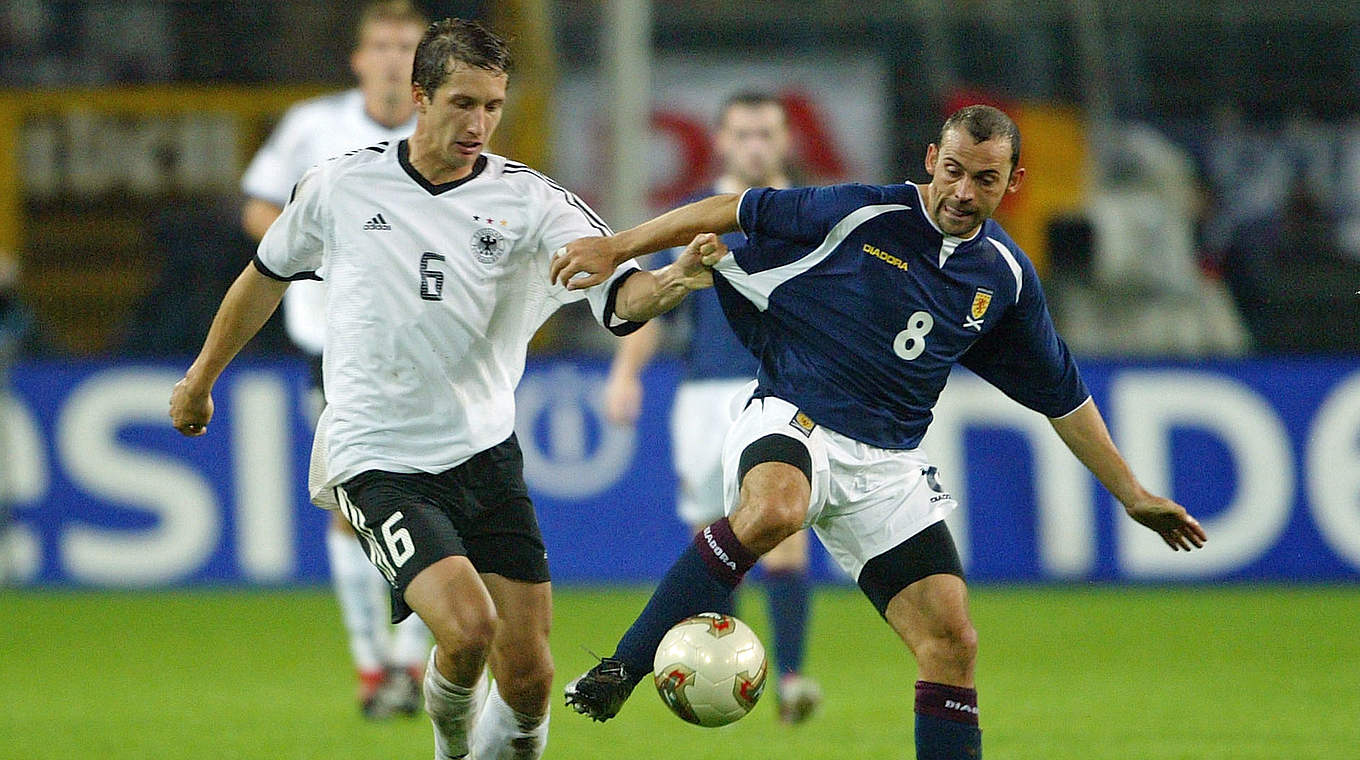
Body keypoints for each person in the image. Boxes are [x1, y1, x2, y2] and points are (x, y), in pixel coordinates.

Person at [552, 105, 1208, 759]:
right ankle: (624, 669)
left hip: (887, 462)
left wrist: (1131, 493)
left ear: (1011, 182)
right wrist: (616, 247)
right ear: (930, 160)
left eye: (984, 179)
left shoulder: (1004, 278)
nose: (962, 191)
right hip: (791, 413)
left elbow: (1063, 397)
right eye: (952, 170)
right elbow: (732, 207)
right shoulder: (863, 211)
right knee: (775, 508)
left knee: (952, 642)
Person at [170, 18, 719, 760]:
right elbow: (264, 279)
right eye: (464, 103)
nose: (480, 123)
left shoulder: (532, 204)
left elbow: (619, 297)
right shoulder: (342, 184)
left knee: (528, 679)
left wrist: (673, 282)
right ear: (420, 96)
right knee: (466, 627)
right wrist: (202, 378)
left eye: (493, 106)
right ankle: (451, 751)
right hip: (376, 455)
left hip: (484, 456)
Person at [601, 90, 821, 724]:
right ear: (722, 141)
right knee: (716, 541)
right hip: (704, 397)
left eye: (767, 134)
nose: (755, 145)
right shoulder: (693, 220)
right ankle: (728, 672)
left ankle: (792, 676)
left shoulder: (807, 218)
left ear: (785, 143)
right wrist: (625, 373)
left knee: (782, 534)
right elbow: (653, 302)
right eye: (743, 133)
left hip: (783, 391)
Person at [238, 0, 432, 719]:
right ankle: (374, 665)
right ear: (358, 59)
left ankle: (409, 663)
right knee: (357, 501)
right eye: (379, 44)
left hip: (429, 339)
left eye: (405, 45)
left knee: (426, 496)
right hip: (337, 342)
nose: (390, 57)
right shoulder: (313, 127)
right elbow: (257, 207)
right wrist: (315, 249)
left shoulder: (444, 130)